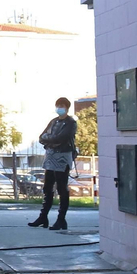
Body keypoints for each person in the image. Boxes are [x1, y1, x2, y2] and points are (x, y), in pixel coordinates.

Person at [28, 97, 78, 231]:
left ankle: (61, 219)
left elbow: (62, 138)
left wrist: (50, 140)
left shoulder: (71, 122)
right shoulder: (53, 121)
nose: (59, 108)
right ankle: (43, 216)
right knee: (47, 187)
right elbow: (41, 137)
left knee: (62, 188)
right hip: (50, 157)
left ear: (67, 108)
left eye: (62, 105)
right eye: (58, 105)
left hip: (63, 157)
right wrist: (51, 141)